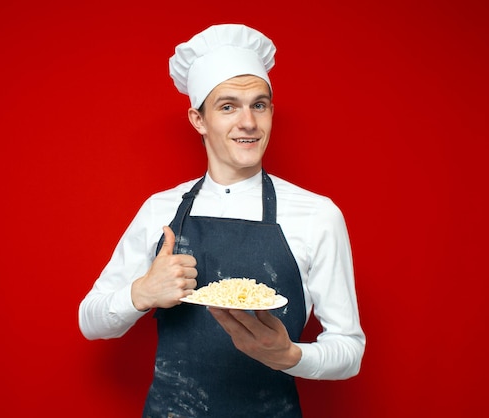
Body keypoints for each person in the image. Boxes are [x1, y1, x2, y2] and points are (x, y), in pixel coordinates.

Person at [79, 23, 365, 418]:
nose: (248, 122)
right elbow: (90, 321)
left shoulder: (317, 215)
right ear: (199, 120)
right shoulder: (160, 209)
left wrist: (289, 355)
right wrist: (141, 293)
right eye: (228, 106)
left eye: (259, 104)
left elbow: (349, 350)